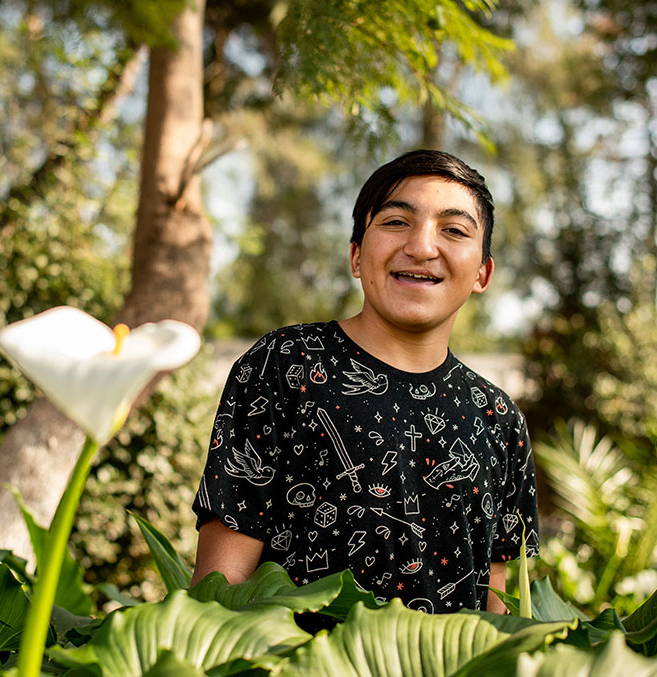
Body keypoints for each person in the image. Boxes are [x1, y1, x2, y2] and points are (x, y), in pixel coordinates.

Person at [191, 149, 538, 614]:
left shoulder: (498, 417)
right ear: (356, 255)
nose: (422, 247)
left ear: (482, 273)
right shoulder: (285, 365)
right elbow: (220, 593)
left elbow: (499, 607)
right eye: (396, 222)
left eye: (454, 230)